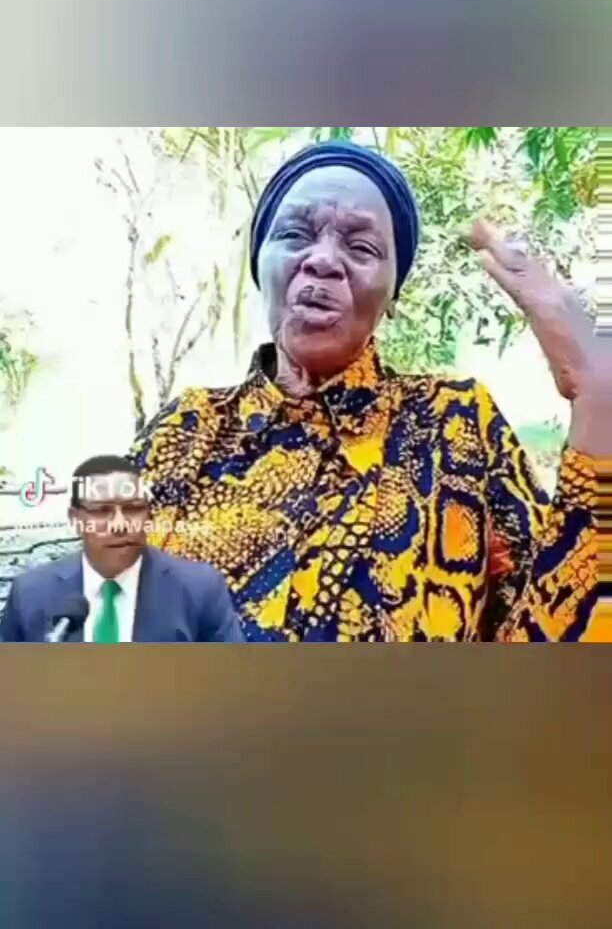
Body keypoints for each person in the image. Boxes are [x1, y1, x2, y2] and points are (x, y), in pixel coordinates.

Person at [129, 140, 606, 642]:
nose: (322, 261)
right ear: (259, 266)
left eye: (361, 248)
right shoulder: (185, 430)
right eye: (294, 234)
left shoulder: (454, 423)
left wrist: (599, 402)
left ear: (393, 292)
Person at [0, 455, 244, 642]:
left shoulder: (199, 588)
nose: (120, 524)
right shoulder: (31, 593)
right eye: (101, 511)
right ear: (76, 519)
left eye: (133, 509)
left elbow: (231, 680)